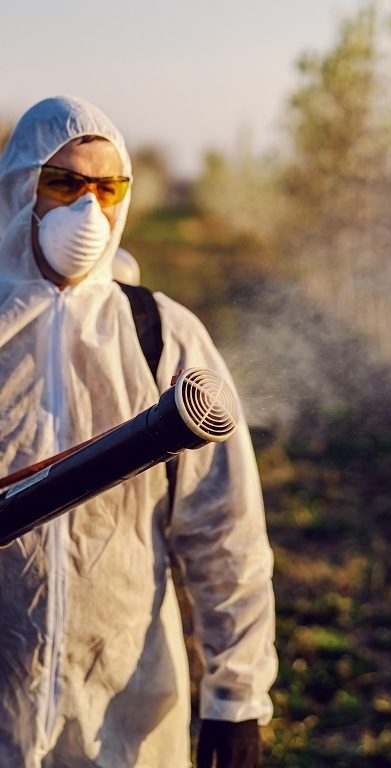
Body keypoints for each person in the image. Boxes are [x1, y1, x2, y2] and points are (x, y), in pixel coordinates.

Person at [0, 96, 277, 768]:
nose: (86, 207)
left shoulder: (163, 335)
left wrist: (236, 696)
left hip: (124, 712)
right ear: (20, 192)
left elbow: (224, 530)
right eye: (63, 183)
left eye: (107, 186)